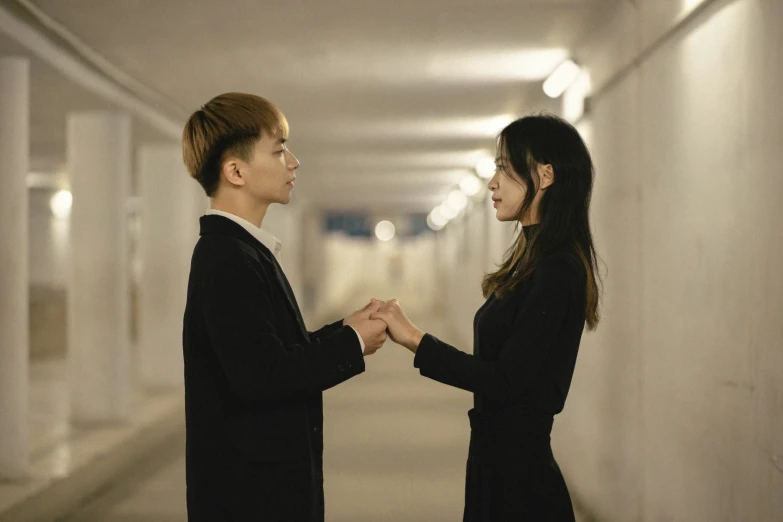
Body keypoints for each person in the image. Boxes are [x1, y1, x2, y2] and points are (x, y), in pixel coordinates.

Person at [371, 114, 601, 521]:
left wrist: (414, 339)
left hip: (521, 487)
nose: (493, 183)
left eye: (504, 168)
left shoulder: (558, 269)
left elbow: (506, 381)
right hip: (497, 468)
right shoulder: (531, 260)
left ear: (544, 176)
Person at [180, 92, 388, 522]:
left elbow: (270, 352)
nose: (293, 162)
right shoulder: (228, 261)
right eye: (278, 150)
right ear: (235, 171)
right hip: (250, 500)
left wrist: (343, 330)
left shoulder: (244, 252)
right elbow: (264, 378)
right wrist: (350, 343)